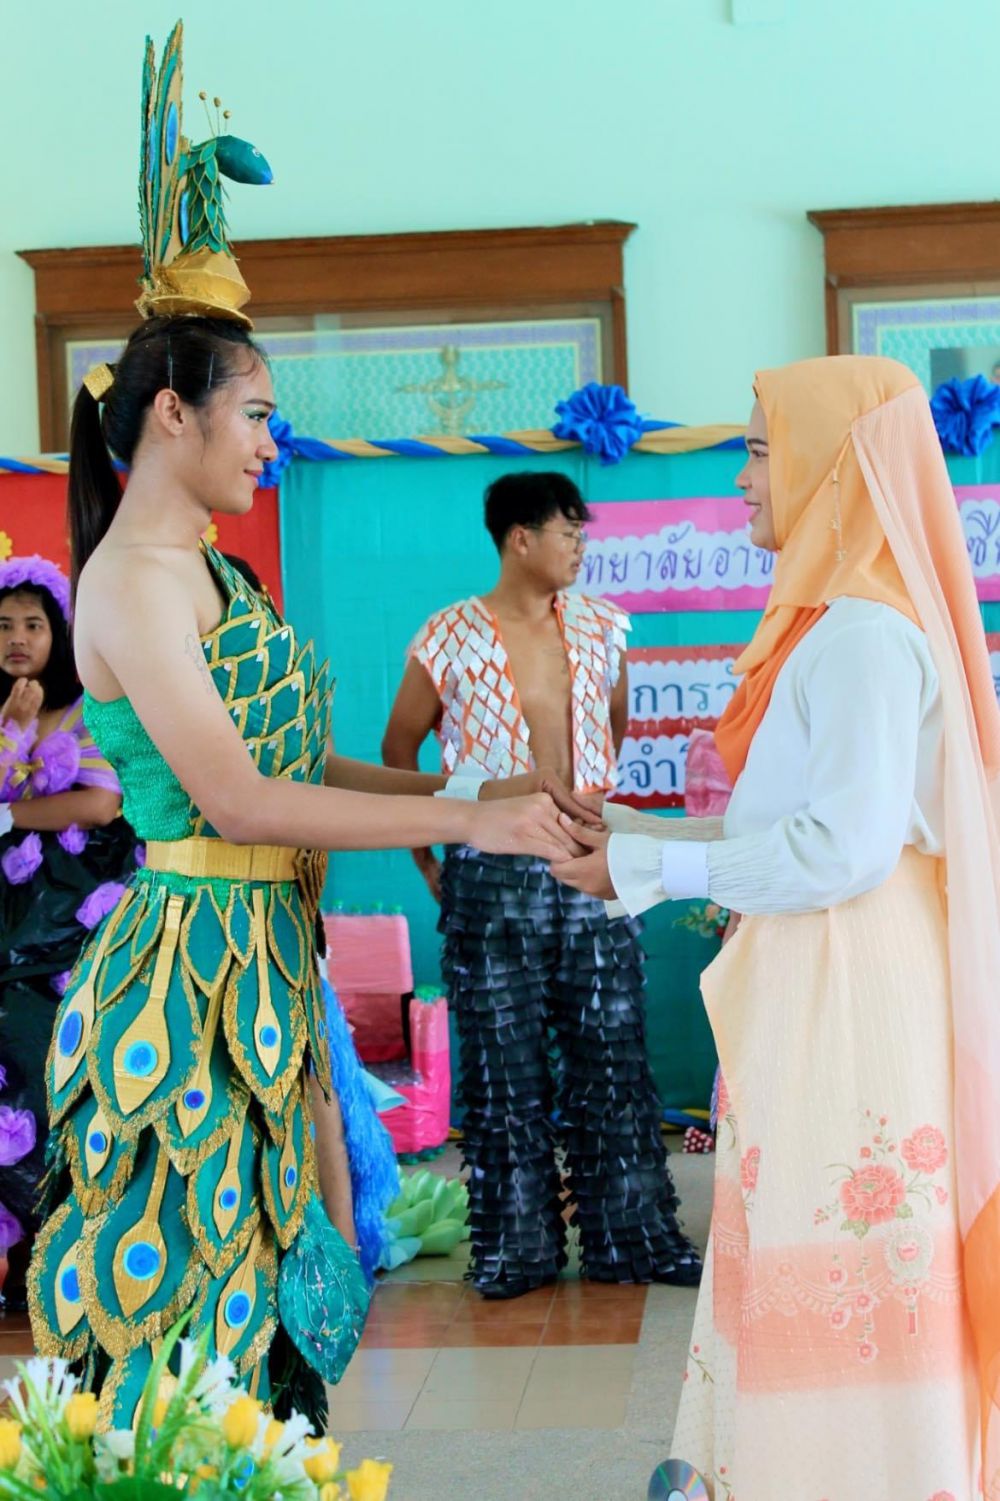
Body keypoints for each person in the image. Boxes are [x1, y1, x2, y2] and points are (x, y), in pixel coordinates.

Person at [28, 24, 589, 1430]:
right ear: (174, 413)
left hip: (269, 957)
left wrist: (475, 788)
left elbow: (292, 768)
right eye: (260, 416)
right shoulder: (133, 583)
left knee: (295, 1279)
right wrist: (461, 822)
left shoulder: (218, 571)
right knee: (194, 1305)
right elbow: (237, 800)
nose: (273, 443)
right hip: (189, 970)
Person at [551, 355, 1000, 1499]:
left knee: (840, 1239)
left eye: (759, 448)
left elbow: (841, 850)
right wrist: (636, 829)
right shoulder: (839, 622)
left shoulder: (862, 632)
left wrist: (643, 864)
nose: (743, 476)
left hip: (852, 973)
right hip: (837, 963)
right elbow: (801, 828)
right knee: (815, 1231)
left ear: (832, 464)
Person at [382, 470, 702, 1298]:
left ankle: (634, 1240)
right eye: (569, 532)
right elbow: (397, 749)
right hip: (489, 872)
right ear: (520, 538)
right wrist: (429, 853)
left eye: (582, 532)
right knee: (502, 1070)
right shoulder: (447, 635)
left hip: (590, 858)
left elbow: (616, 723)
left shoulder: (603, 626)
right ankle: (514, 1251)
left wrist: (588, 808)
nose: (581, 546)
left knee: (614, 1057)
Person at [0, 556, 135, 1313]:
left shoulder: (89, 708)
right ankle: (19, 1257)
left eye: (33, 624)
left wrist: (8, 812)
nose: (18, 639)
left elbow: (100, 805)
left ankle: (68, 1258)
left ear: (60, 633)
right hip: (7, 927)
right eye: (4, 626)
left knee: (59, 1073)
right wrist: (11, 731)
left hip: (69, 928)